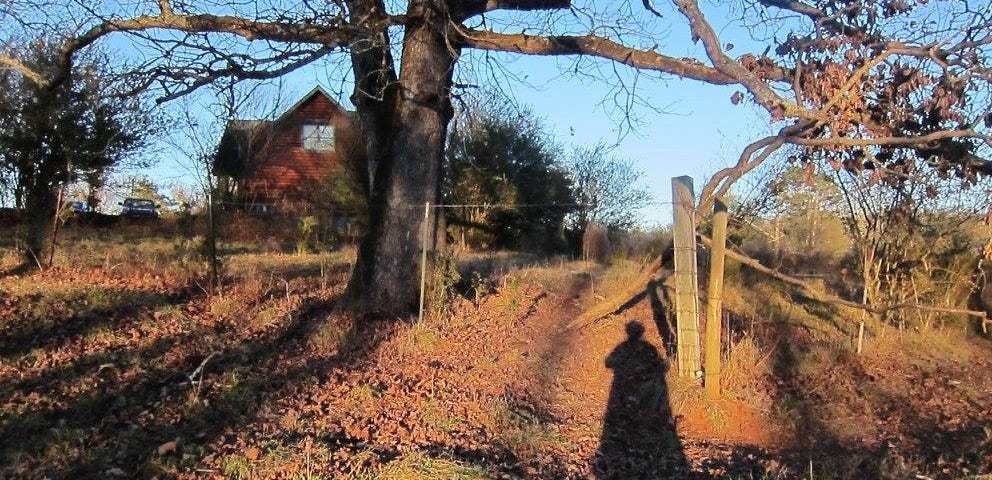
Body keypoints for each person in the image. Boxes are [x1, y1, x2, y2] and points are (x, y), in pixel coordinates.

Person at [594, 320, 686, 479]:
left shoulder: (622, 348)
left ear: (629, 332)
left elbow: (608, 362)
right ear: (641, 333)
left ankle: (629, 450)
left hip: (624, 391)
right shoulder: (648, 349)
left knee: (624, 420)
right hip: (642, 393)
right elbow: (660, 366)